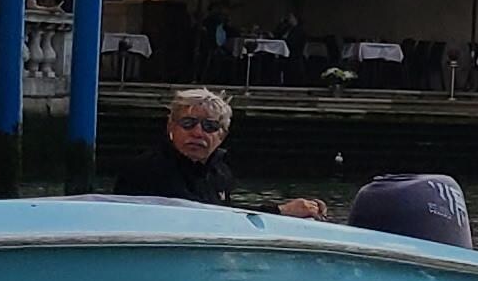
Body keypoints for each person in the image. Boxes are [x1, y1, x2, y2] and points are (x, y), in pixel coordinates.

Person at [117, 88, 328, 217]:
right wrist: (281, 211)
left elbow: (225, 215)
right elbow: (201, 217)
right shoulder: (147, 169)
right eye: (188, 124)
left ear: (222, 135)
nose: (198, 133)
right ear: (171, 128)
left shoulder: (220, 173)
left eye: (209, 127)